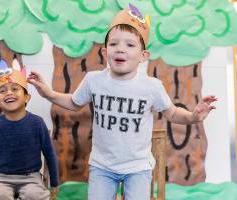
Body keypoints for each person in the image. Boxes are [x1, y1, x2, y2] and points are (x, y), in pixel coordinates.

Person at [27, 4, 217, 200]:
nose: (120, 49)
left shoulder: (152, 87)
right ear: (104, 51)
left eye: (130, 45)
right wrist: (48, 93)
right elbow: (74, 102)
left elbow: (173, 113)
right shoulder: (94, 80)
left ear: (143, 56)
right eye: (114, 44)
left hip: (138, 167)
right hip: (102, 166)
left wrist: (194, 116)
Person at [0, 58, 59, 200]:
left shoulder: (37, 124)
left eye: (15, 89)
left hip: (31, 177)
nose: (9, 93)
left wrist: (55, 183)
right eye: (2, 91)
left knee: (34, 195)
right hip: (0, 178)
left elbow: (50, 155)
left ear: (27, 97)